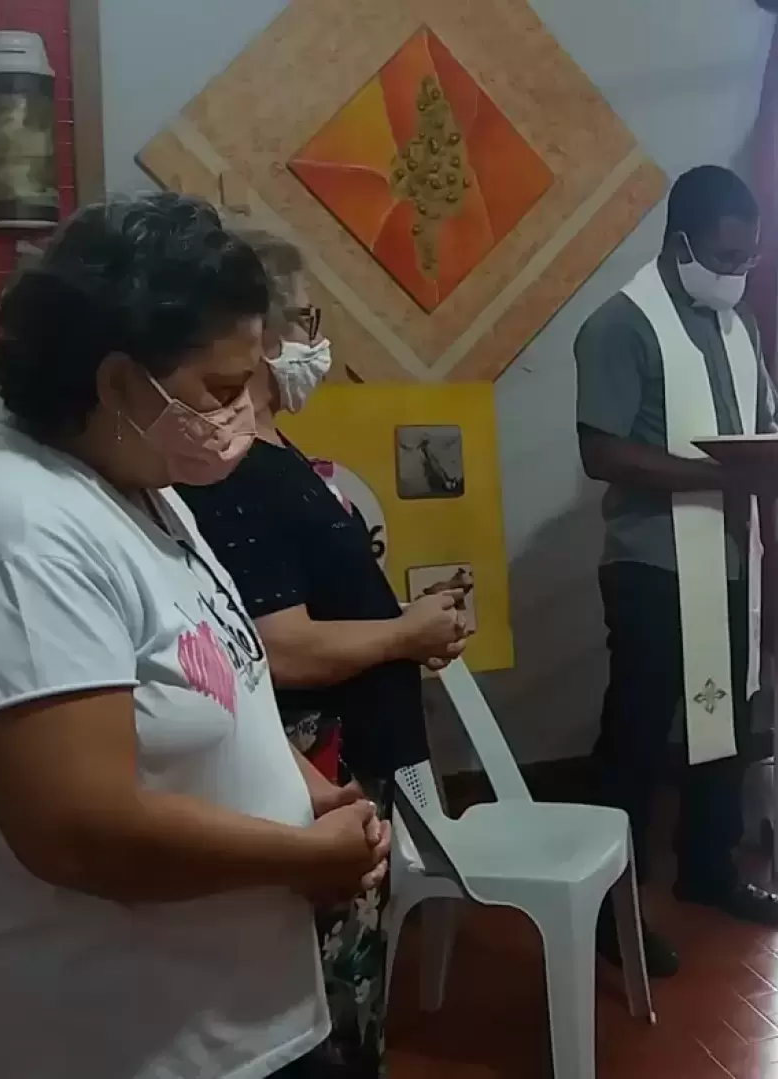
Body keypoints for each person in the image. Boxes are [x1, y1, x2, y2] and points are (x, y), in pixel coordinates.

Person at [0, 194, 391, 1079]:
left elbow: (220, 679)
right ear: (118, 380)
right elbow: (83, 830)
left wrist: (312, 795)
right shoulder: (11, 529)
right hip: (127, 1038)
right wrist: (302, 856)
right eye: (222, 389)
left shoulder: (142, 486)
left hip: (243, 1016)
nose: (245, 417)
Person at [177, 230, 471, 1076]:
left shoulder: (276, 454)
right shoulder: (234, 472)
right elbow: (281, 647)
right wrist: (403, 635)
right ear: (257, 335)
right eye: (307, 319)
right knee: (331, 998)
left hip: (354, 755)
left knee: (360, 983)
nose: (318, 341)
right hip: (319, 765)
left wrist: (405, 628)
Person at [575, 165, 778, 976]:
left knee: (724, 722)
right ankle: (608, 904)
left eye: (749, 257)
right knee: (636, 741)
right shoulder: (621, 323)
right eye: (726, 256)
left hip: (731, 559)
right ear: (681, 243)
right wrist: (720, 477)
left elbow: (759, 428)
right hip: (651, 566)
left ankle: (707, 867)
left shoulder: (736, 325)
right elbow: (601, 452)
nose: (738, 272)